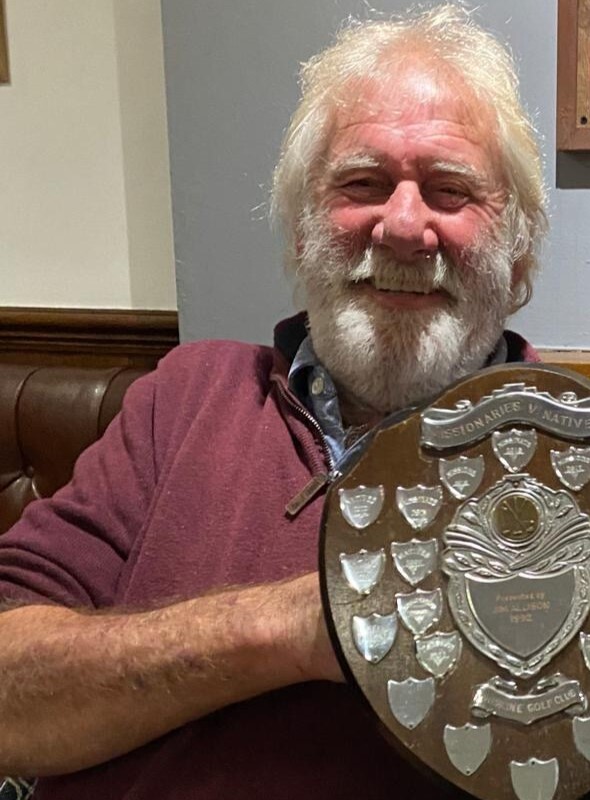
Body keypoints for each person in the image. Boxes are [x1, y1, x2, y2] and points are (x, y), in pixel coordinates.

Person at [0, 7, 547, 797]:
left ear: (519, 249)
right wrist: (294, 626)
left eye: (449, 189)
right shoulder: (185, 398)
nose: (400, 226)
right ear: (300, 229)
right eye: (361, 183)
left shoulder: (583, 461)